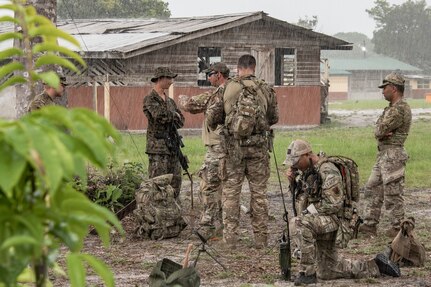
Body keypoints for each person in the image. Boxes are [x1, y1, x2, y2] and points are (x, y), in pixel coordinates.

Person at [284, 139, 400, 285]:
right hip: (323, 220)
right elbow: (301, 202)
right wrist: (293, 182)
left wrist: (308, 213)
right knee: (327, 271)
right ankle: (375, 266)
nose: (293, 165)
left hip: (337, 221)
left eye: (295, 161)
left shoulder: (327, 170)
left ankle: (307, 273)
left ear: (307, 155)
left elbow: (333, 204)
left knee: (299, 223)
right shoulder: (308, 172)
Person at [206, 54, 279, 249]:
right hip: (258, 151)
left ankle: (230, 240)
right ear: (254, 67)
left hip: (233, 151)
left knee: (231, 195)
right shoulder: (266, 89)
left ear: (238, 68)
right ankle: (261, 240)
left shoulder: (228, 88)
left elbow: (213, 118)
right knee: (259, 194)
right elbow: (274, 118)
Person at [360, 72, 412, 238]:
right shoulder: (391, 109)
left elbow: (379, 130)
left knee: (392, 194)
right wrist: (381, 132)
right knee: (372, 188)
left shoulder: (399, 109)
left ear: (394, 88)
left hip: (393, 155)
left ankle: (398, 228)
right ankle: (369, 225)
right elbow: (379, 130)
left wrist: (381, 132)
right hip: (384, 154)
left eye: (385, 88)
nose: (382, 91)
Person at [179, 62, 229, 230]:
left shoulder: (215, 95)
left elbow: (189, 105)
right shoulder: (237, 92)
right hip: (233, 146)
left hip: (217, 146)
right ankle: (225, 220)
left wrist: (181, 98)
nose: (208, 78)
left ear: (219, 75)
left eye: (210, 74)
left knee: (208, 183)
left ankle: (210, 220)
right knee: (226, 185)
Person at [143, 67, 185, 198]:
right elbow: (159, 116)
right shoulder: (150, 99)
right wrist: (173, 115)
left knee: (175, 181)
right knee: (158, 183)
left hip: (173, 147)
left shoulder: (170, 101)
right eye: (169, 78)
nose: (171, 81)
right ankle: (157, 214)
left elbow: (181, 121)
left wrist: (172, 116)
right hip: (158, 148)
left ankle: (173, 211)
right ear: (160, 79)